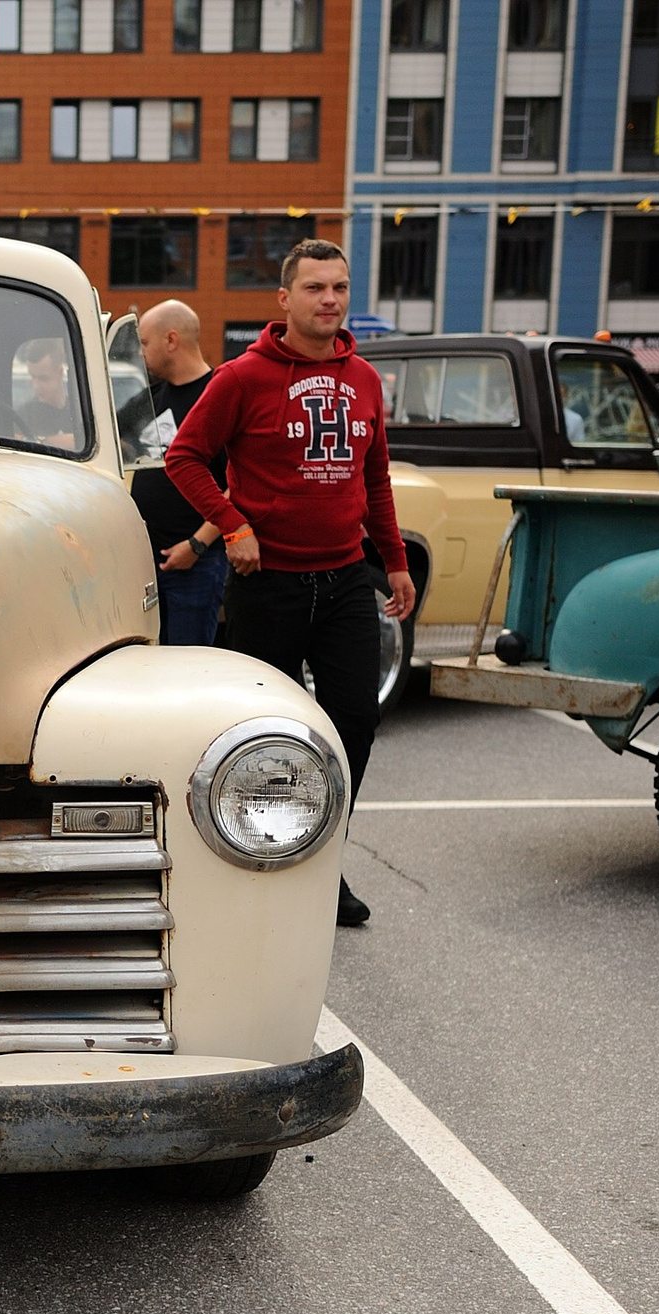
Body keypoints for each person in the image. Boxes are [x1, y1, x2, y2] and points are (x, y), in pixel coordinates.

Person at [163, 238, 414, 929]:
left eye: (339, 287)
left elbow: (375, 477)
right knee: (265, 734)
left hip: (343, 581)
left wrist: (392, 559)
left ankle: (322, 865)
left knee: (354, 723)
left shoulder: (364, 378)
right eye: (314, 288)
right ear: (284, 299)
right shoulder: (244, 377)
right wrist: (233, 523)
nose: (329, 299)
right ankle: (257, 856)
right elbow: (184, 457)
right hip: (267, 583)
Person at [120, 301, 230, 645]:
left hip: (195, 565)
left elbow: (239, 484)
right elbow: (106, 437)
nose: (140, 353)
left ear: (171, 340)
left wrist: (197, 545)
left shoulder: (220, 397)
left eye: (144, 342)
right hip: (143, 563)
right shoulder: (149, 399)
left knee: (186, 666)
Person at [15, 337, 79, 449]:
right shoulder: (24, 415)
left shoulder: (78, 412)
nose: (36, 386)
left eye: (43, 378)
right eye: (32, 377)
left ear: (60, 373)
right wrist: (46, 441)